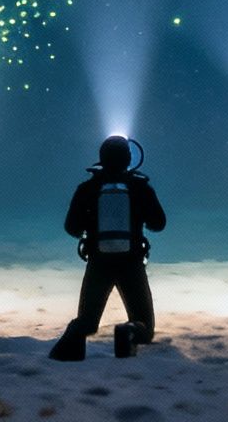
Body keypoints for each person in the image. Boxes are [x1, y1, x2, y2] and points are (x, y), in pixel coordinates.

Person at [49, 136, 168, 361]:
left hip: (98, 263)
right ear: (130, 158)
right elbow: (159, 224)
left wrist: (91, 225)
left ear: (101, 159)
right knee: (145, 327)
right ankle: (129, 331)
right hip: (131, 263)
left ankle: (73, 339)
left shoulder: (88, 188)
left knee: (87, 321)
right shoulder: (140, 187)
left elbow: (71, 227)